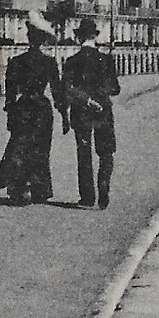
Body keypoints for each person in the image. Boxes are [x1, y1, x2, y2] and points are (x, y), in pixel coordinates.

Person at [0, 12, 60, 205]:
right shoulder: (49, 62)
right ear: (42, 40)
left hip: (23, 108)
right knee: (41, 149)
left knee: (19, 147)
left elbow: (10, 93)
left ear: (29, 38)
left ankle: (19, 187)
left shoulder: (16, 61)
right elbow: (57, 91)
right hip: (41, 109)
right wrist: (64, 114)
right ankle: (40, 189)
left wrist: (10, 113)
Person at [61, 17, 121, 209]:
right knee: (106, 152)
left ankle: (87, 197)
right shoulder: (106, 60)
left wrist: (86, 99)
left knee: (84, 153)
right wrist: (100, 97)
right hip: (103, 111)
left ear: (79, 38)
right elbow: (115, 88)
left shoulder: (71, 61)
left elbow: (68, 88)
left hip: (81, 112)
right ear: (95, 37)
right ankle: (103, 185)